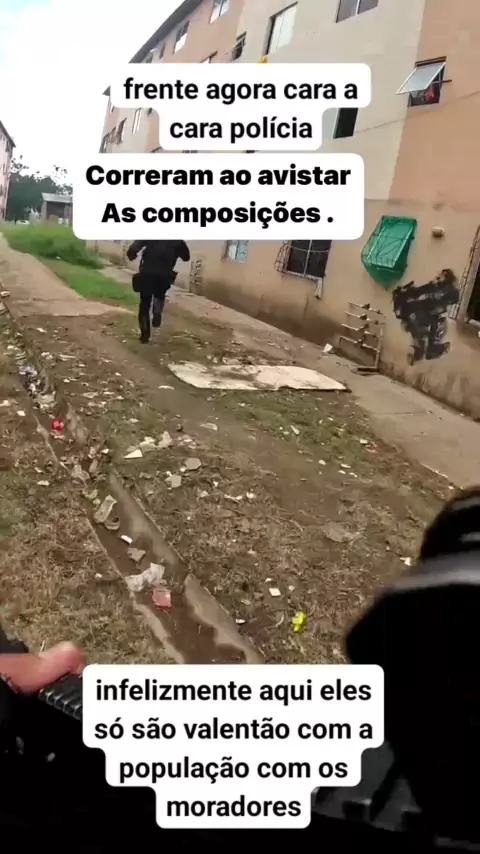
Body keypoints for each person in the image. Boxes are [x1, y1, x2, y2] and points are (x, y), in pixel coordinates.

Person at [126, 239, 191, 343]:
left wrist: (132, 255)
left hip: (147, 274)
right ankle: (157, 310)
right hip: (165, 275)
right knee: (160, 294)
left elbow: (133, 249)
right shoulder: (177, 241)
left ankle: (145, 334)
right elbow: (186, 257)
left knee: (144, 303)